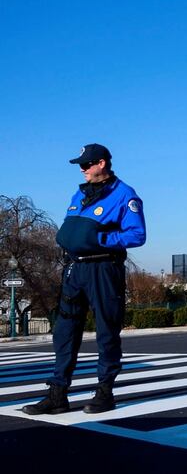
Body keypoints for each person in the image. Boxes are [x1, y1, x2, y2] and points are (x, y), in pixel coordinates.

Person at [22, 144, 146, 416]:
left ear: (101, 163)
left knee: (106, 331)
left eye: (87, 164)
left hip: (103, 269)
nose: (82, 168)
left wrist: (101, 239)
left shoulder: (125, 195)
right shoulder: (79, 193)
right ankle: (57, 394)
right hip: (74, 269)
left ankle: (105, 392)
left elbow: (137, 235)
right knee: (64, 332)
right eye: (81, 164)